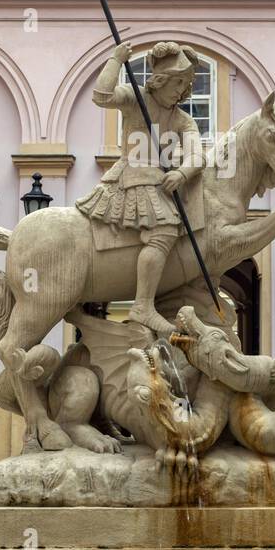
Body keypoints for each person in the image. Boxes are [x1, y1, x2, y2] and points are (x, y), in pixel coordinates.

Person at [75, 40, 204, 336]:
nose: (181, 91)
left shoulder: (183, 120)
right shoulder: (136, 99)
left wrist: (183, 173)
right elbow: (102, 95)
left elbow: (198, 155)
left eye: (185, 85)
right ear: (160, 81)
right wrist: (116, 60)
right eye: (177, 83)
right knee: (165, 230)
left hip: (161, 182)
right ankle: (143, 305)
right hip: (132, 176)